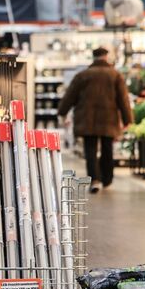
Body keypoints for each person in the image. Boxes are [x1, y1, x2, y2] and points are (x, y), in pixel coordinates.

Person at [58, 46, 133, 193]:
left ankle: (95, 180)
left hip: (87, 118)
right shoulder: (115, 75)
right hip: (109, 118)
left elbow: (70, 96)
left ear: (94, 57)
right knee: (107, 148)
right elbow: (123, 99)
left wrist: (62, 111)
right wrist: (127, 119)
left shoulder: (83, 75)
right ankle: (107, 179)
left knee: (90, 149)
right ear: (106, 57)